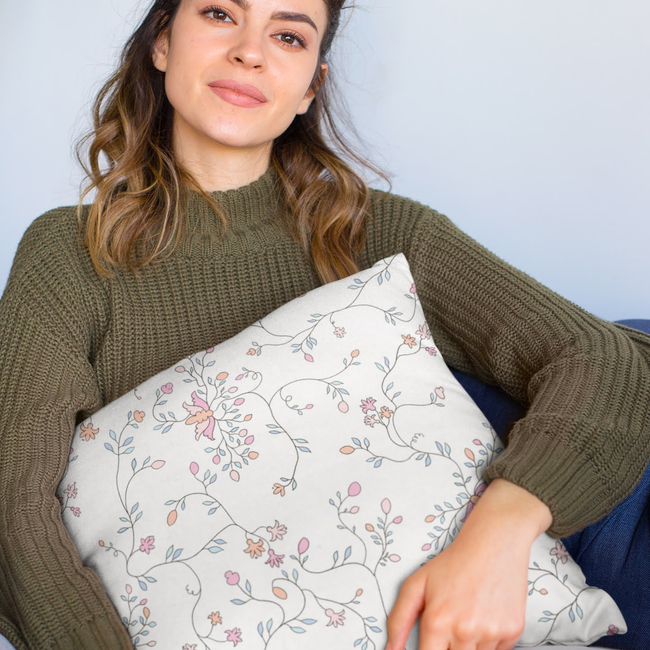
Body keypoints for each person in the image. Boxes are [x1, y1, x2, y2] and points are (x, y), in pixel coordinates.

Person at [0, 1, 648, 649]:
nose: (250, 51)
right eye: (221, 14)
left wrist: (499, 535)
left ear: (310, 85)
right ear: (162, 43)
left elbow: (601, 357)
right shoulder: (68, 254)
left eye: (287, 35)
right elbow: (15, 498)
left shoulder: (383, 233)